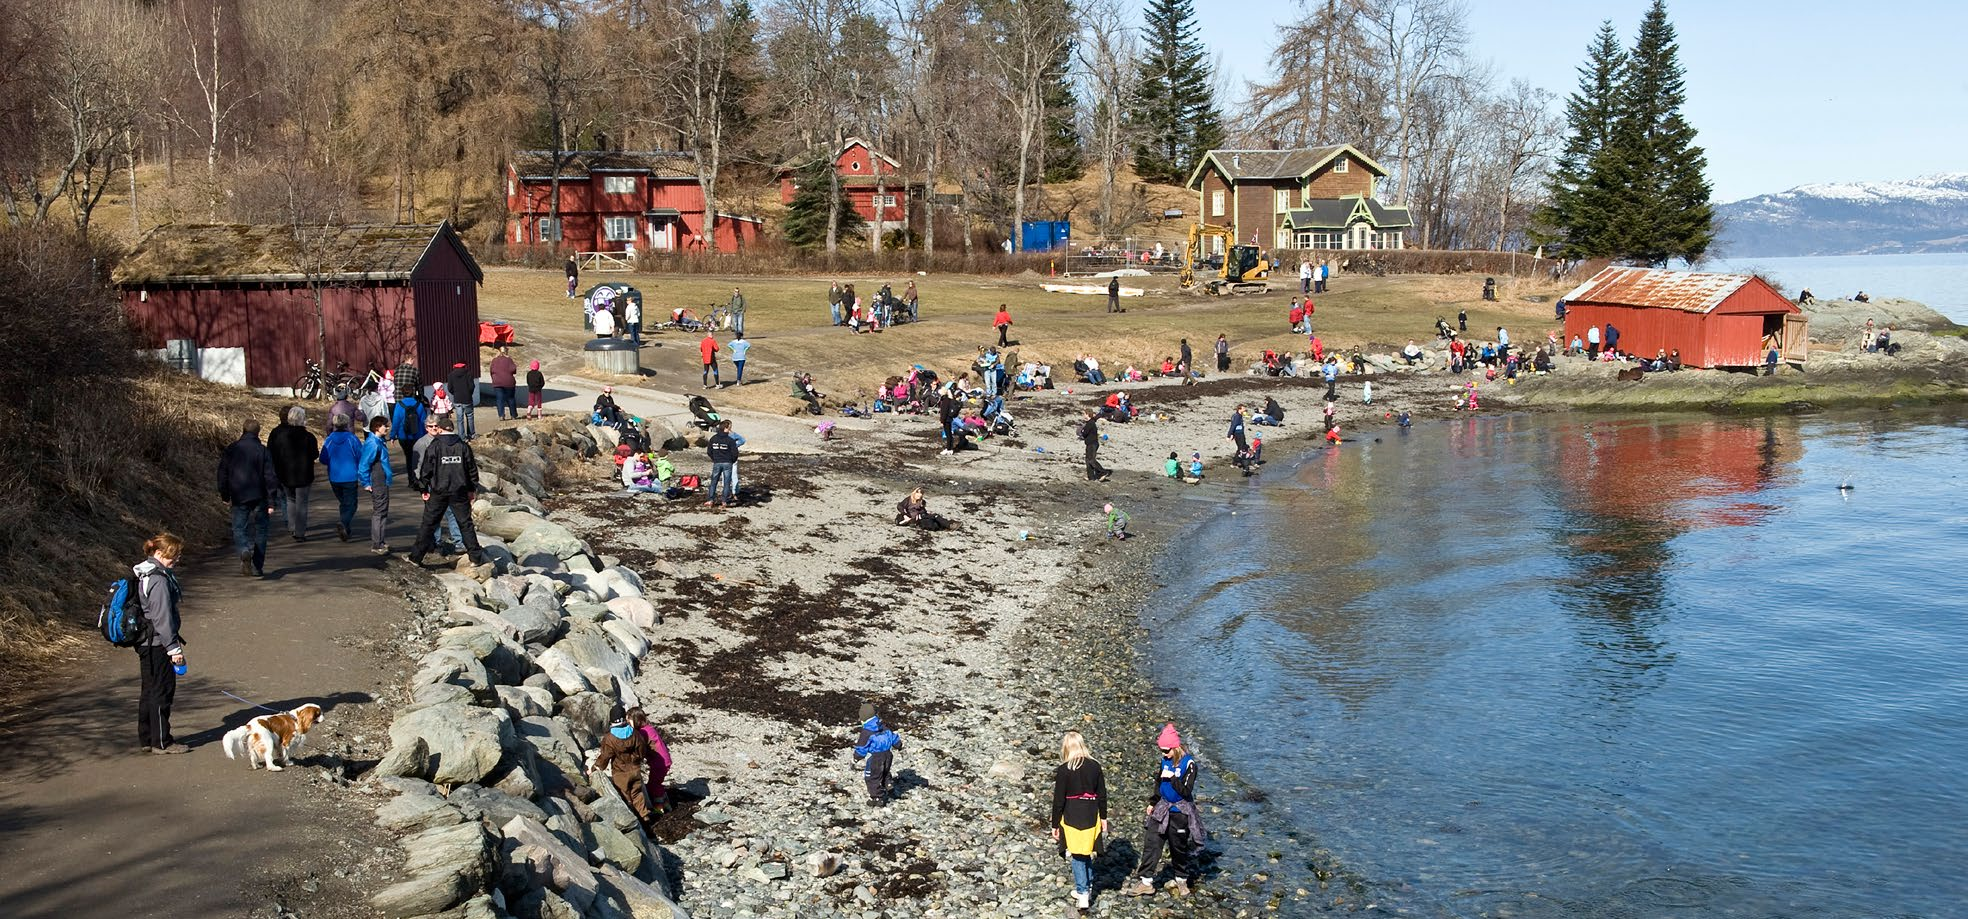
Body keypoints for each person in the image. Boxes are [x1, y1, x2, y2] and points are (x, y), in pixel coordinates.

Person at [1124, 723, 1206, 899]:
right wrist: (1153, 802)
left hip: (1180, 811)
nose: (1164, 754)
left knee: (1178, 847)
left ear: (1176, 748)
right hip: (1162, 807)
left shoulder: (1190, 764)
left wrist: (1174, 778)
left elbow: (1186, 791)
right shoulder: (1165, 760)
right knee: (1152, 842)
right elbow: (1158, 783)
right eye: (1161, 750)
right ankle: (1146, 882)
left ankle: (1181, 879)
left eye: (1166, 751)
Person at [132, 533, 188, 754]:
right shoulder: (158, 579)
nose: (176, 559)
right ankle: (162, 741)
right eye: (172, 555)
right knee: (162, 691)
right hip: (158, 644)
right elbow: (162, 616)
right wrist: (173, 648)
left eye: (178, 555)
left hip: (146, 642)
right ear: (157, 553)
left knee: (149, 690)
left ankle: (147, 737)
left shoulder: (143, 572)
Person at [408, 416, 485, 566]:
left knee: (429, 524)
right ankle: (475, 557)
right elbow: (471, 470)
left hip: (439, 490)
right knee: (465, 523)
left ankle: (416, 557)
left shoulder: (434, 446)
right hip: (459, 490)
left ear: (440, 429)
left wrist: (423, 487)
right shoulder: (463, 446)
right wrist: (471, 489)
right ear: (452, 428)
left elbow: (426, 470)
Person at [1052, 731, 1109, 912]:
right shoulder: (1095, 766)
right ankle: (1088, 887)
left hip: (1072, 813)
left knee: (1077, 854)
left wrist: (1055, 824)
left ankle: (1083, 893)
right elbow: (1102, 795)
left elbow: (1059, 799)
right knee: (1087, 851)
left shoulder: (1064, 769)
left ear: (1066, 748)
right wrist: (1104, 817)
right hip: (1091, 812)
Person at [218, 419, 279, 577]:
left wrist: (225, 494)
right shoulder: (263, 450)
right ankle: (258, 565)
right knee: (262, 530)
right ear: (258, 432)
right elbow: (270, 477)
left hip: (239, 494)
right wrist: (272, 500)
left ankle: (244, 550)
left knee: (239, 528)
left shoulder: (232, 449)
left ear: (243, 430)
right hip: (260, 495)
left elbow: (222, 473)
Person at [593, 704, 659, 828]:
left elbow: (605, 756)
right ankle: (645, 816)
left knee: (625, 796)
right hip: (635, 769)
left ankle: (634, 821)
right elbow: (642, 749)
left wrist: (595, 768)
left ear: (611, 720)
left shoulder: (610, 738)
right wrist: (637, 760)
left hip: (620, 772)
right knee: (637, 793)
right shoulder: (634, 733)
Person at [268, 406, 318, 541]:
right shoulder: (308, 437)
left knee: (290, 500)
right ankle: (299, 532)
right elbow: (314, 454)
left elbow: (273, 453)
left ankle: (292, 526)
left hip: (286, 474)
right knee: (302, 503)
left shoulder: (281, 435)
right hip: (304, 475)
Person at [319, 413, 362, 542]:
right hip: (350, 476)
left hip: (334, 476)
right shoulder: (352, 439)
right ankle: (344, 523)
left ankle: (346, 529)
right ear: (347, 424)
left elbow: (323, 458)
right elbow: (360, 456)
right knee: (352, 504)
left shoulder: (330, 439)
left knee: (344, 503)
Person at [358, 416, 395, 555]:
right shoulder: (373, 444)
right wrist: (366, 482)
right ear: (377, 427)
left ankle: (380, 540)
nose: (387, 428)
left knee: (383, 510)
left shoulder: (378, 441)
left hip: (382, 479)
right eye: (385, 426)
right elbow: (364, 464)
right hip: (377, 480)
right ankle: (377, 543)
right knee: (379, 512)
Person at [853, 702, 901, 806]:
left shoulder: (866, 732)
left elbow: (862, 748)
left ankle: (877, 798)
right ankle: (888, 784)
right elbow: (893, 737)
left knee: (872, 777)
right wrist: (898, 745)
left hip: (875, 757)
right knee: (885, 771)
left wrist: (856, 758)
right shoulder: (883, 726)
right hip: (888, 754)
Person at [628, 707, 673, 817]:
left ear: (635, 720)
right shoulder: (648, 728)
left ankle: (659, 808)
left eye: (629, 720)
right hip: (663, 761)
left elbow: (639, 746)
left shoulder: (643, 732)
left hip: (659, 763)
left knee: (653, 785)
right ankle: (666, 803)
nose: (628, 722)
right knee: (656, 782)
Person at [391, 388, 429, 491]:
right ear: (413, 393)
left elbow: (396, 421)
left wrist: (392, 435)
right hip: (418, 435)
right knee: (419, 458)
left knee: (408, 457)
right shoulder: (419, 404)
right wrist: (426, 434)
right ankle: (419, 479)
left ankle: (411, 480)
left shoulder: (399, 405)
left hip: (404, 436)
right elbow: (423, 420)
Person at [706, 420, 738, 508]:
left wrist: (715, 459)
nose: (730, 430)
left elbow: (709, 451)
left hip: (718, 462)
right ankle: (724, 501)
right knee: (727, 482)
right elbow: (735, 453)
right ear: (725, 428)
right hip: (727, 462)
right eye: (729, 428)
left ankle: (710, 500)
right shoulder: (730, 440)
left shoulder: (713, 439)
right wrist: (732, 460)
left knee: (714, 482)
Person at [447, 361, 476, 440]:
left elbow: (450, 388)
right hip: (467, 399)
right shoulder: (468, 374)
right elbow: (472, 386)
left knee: (460, 419)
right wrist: (469, 394)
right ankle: (471, 435)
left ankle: (462, 437)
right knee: (470, 416)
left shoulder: (451, 375)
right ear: (464, 366)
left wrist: (455, 393)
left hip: (457, 399)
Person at [1079, 410, 1110, 481]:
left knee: (1091, 460)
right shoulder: (1090, 422)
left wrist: (1082, 431)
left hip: (1092, 444)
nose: (1083, 416)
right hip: (1090, 443)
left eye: (1084, 414)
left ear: (1087, 414)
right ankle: (1091, 477)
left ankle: (1103, 472)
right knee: (1087, 460)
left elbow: (1084, 433)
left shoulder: (1090, 423)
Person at [489, 348, 518, 421]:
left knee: (499, 399)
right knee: (511, 398)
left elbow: (491, 370)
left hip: (497, 382)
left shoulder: (494, 360)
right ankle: (513, 415)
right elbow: (513, 370)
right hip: (508, 382)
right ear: (506, 352)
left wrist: (494, 379)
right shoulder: (509, 360)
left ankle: (501, 415)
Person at [1226, 405, 1248, 470]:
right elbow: (1233, 426)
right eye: (1243, 408)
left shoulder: (1240, 416)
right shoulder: (1236, 416)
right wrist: (1229, 435)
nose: (1245, 410)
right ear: (1239, 409)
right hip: (1238, 434)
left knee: (1244, 447)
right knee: (1240, 448)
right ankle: (1234, 463)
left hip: (1240, 433)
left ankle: (1241, 461)